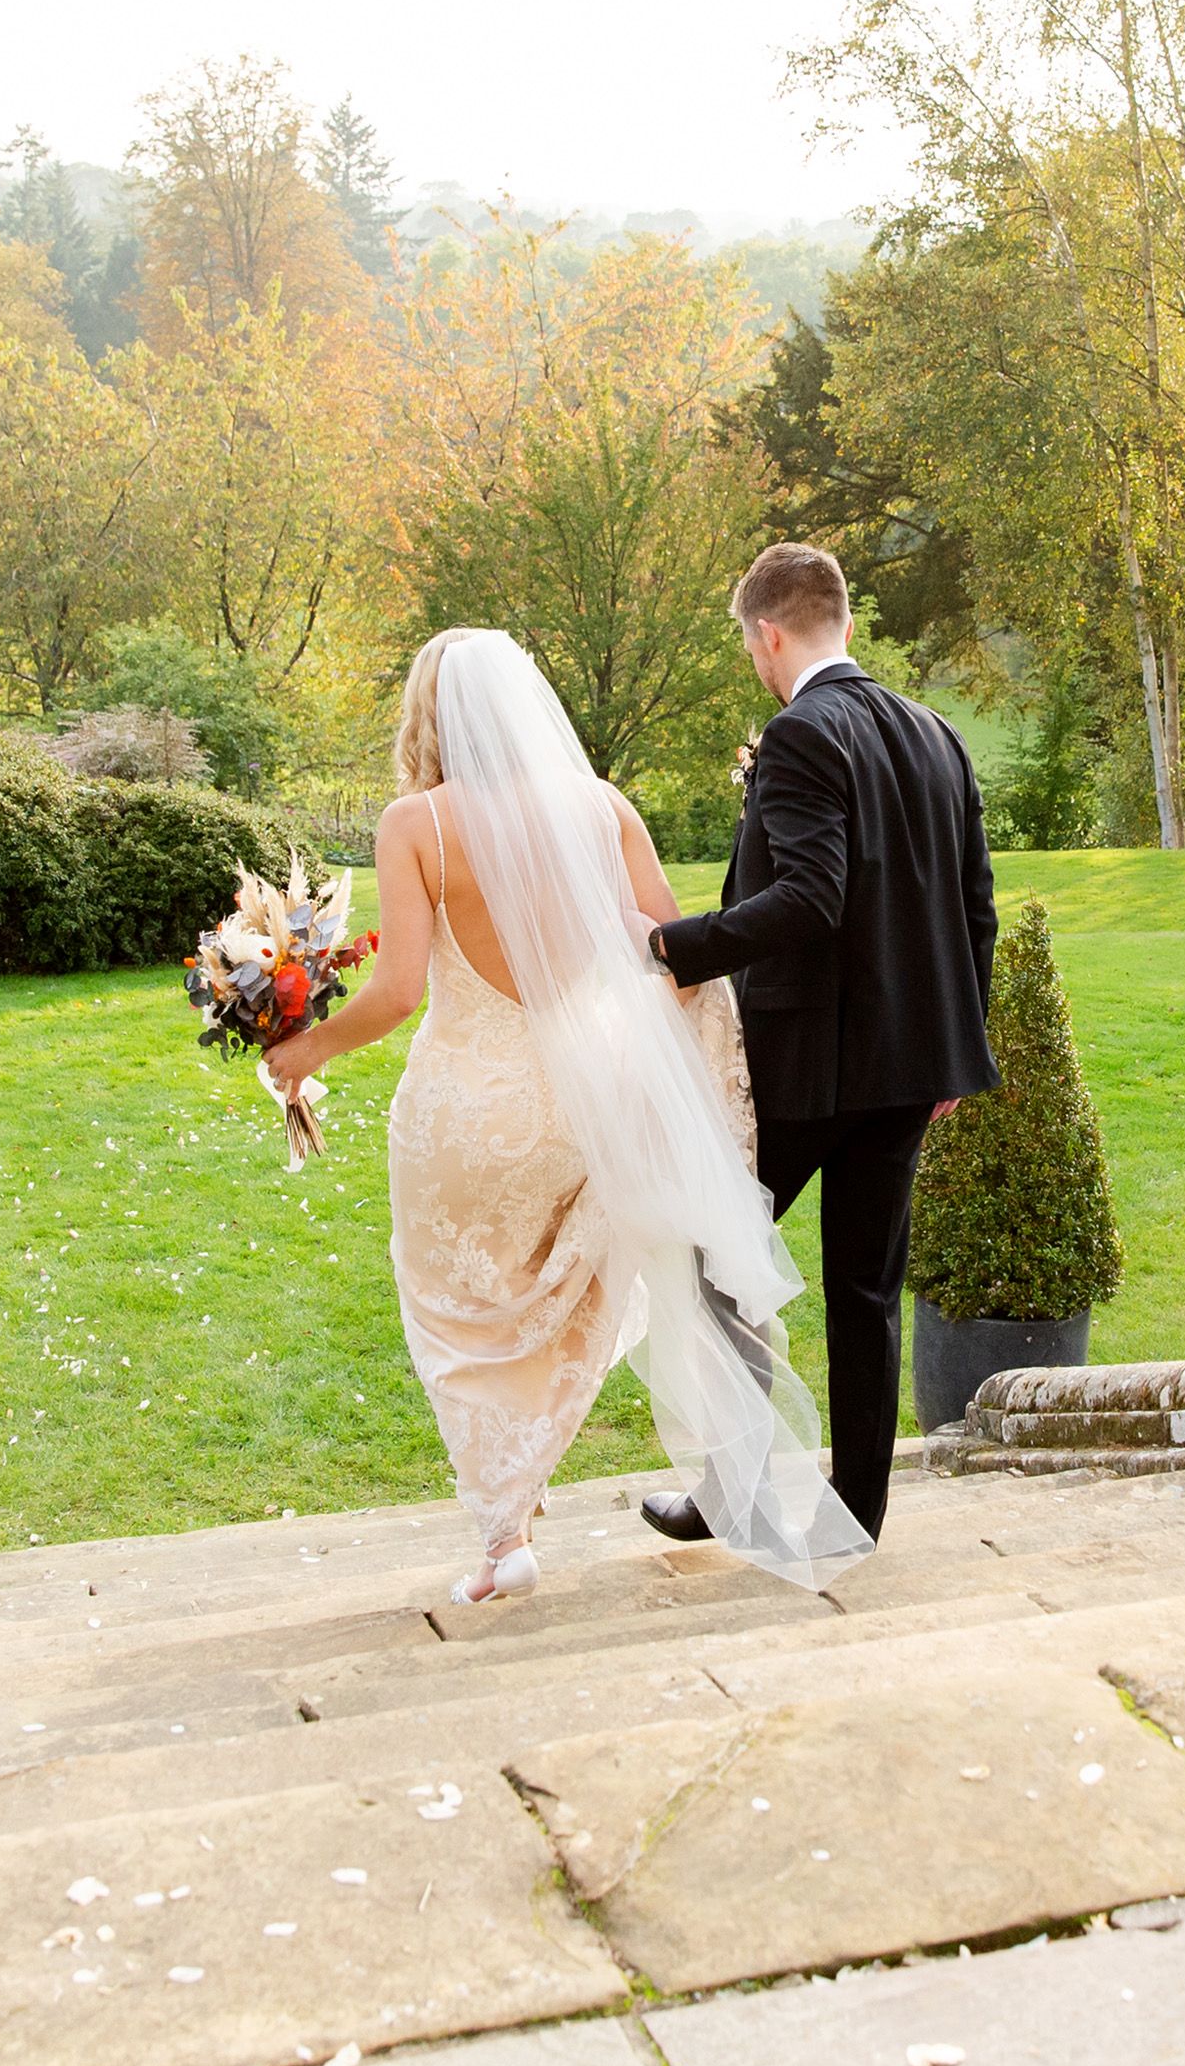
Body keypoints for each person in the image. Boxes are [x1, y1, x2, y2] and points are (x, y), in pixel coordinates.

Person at [264, 627, 869, 1606]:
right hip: (583, 1110)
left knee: (459, 1313)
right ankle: (535, 1500)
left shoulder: (416, 824)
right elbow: (677, 957)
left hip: (464, 1111)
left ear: (429, 715)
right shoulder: (604, 809)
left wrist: (306, 1047)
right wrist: (649, 1080)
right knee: (564, 1304)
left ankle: (505, 1533)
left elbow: (400, 991)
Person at [639, 543, 998, 1544]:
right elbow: (978, 917)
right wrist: (954, 1054)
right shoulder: (938, 736)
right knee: (866, 1293)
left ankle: (732, 1491)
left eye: (750, 644)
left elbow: (809, 897)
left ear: (770, 632)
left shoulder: (801, 735)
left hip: (807, 1068)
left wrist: (670, 946)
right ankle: (857, 1515)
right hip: (908, 1070)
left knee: (714, 1262)